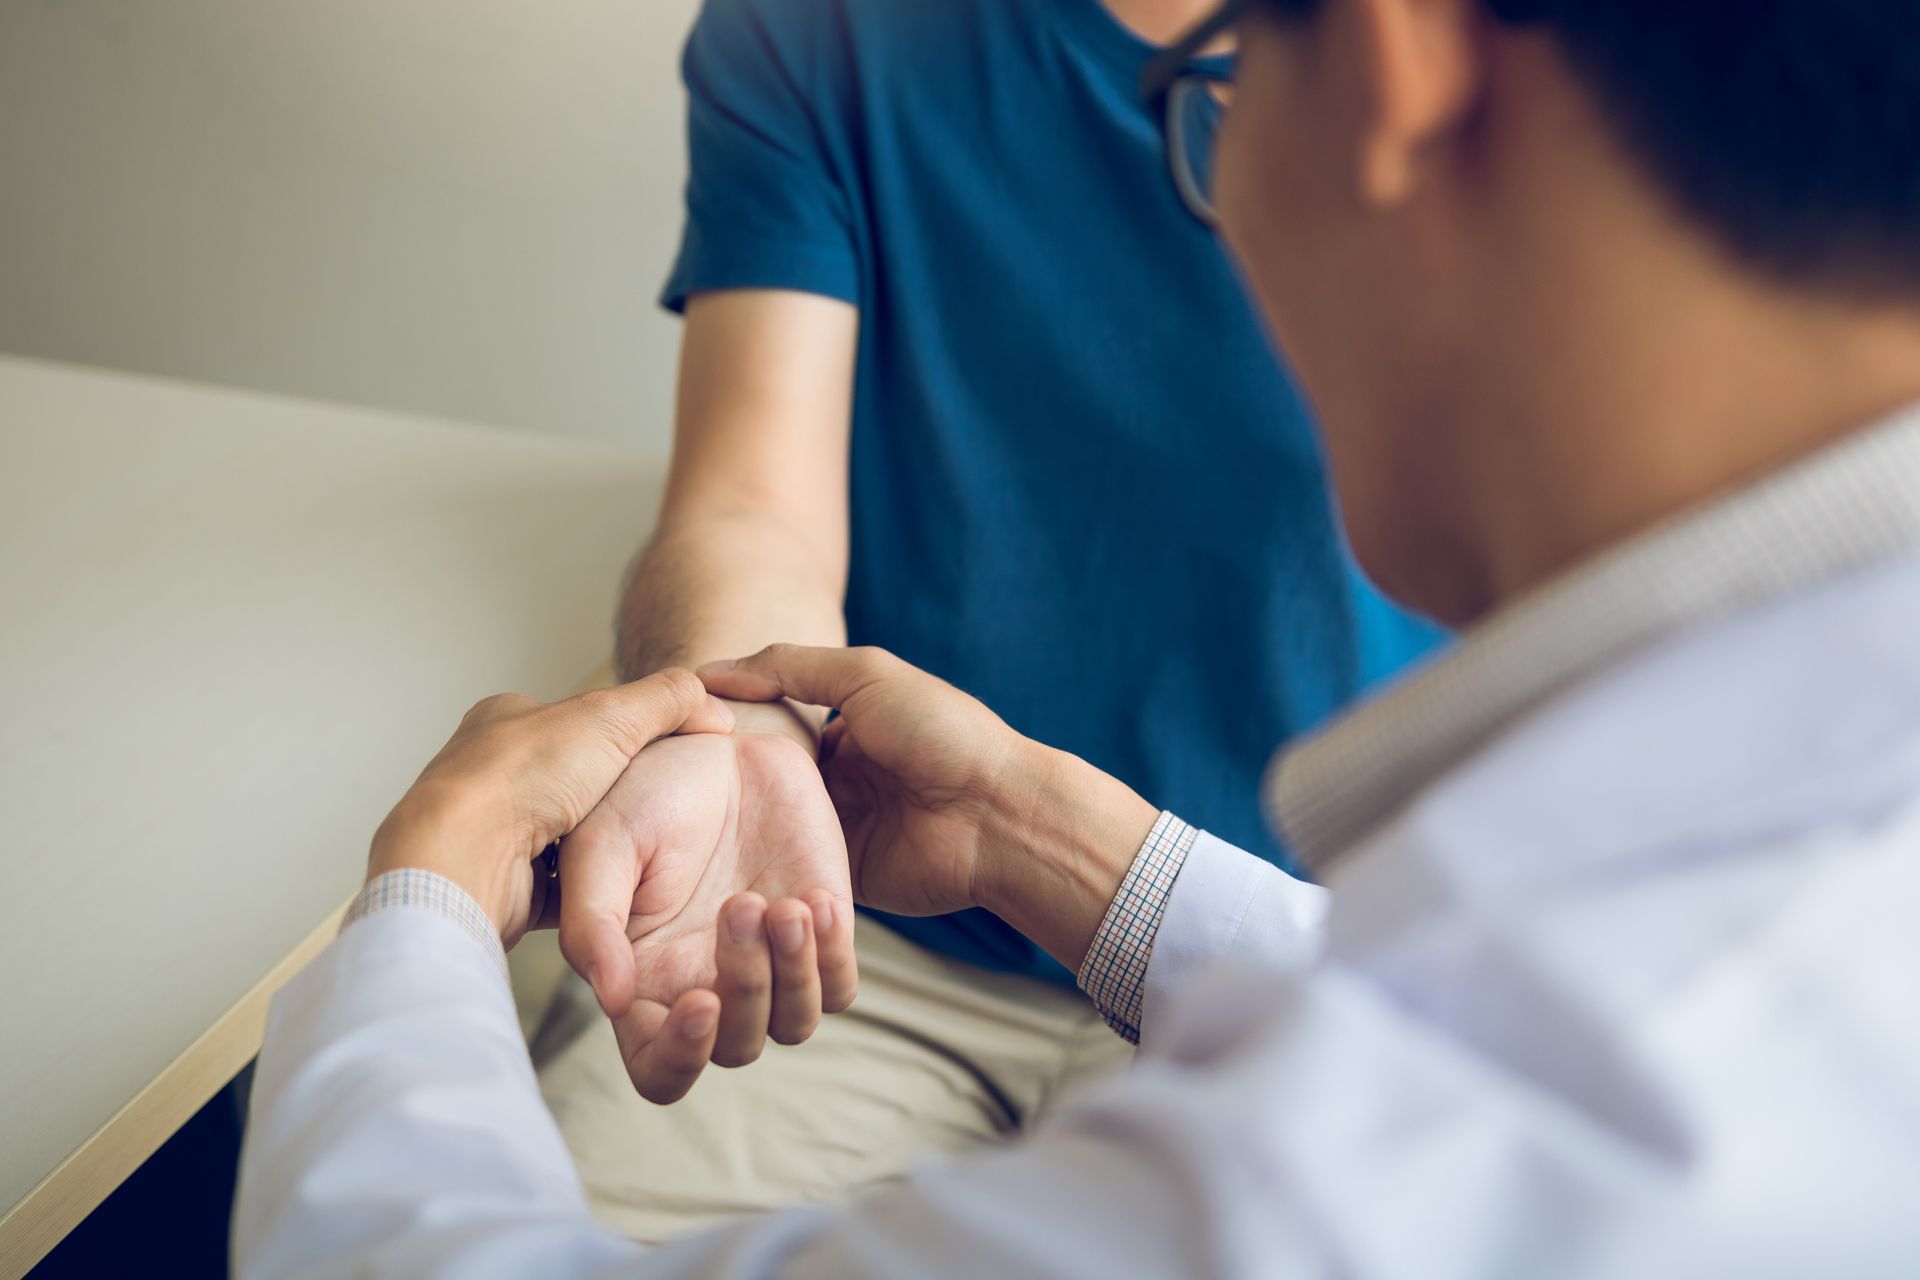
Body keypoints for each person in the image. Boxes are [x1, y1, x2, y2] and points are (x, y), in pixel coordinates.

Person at [235, 0, 1920, 1273]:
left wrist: (429, 896)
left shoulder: (1375, 1160)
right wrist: (1060, 848)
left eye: (1223, 91)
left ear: (1397, 72)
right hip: (937, 921)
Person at [527, 0, 1444, 1241]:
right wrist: (735, 747)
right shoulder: (822, 32)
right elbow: (748, 504)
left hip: (1317, 935)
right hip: (864, 929)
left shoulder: (1507, 62)